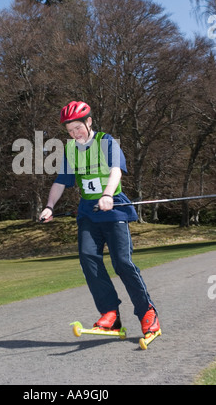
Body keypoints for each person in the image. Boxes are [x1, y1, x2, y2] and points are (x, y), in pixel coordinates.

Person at [39, 100, 160, 336]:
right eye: (70, 130)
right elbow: (61, 181)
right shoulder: (71, 149)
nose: (75, 134)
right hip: (88, 212)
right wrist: (49, 207)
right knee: (88, 258)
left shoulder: (106, 142)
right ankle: (110, 314)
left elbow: (116, 170)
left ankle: (147, 313)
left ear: (89, 121)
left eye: (78, 128)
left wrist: (107, 195)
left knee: (122, 263)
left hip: (112, 208)